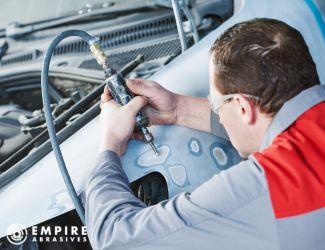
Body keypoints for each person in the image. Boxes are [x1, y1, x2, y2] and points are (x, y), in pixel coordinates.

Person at [85, 18, 325, 250]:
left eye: (216, 102)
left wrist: (111, 141)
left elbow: (113, 238)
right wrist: (178, 109)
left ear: (243, 108)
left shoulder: (266, 186)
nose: (217, 113)